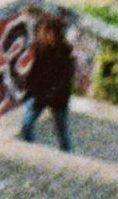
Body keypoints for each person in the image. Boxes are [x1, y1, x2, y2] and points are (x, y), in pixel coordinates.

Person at [18, 8, 77, 152]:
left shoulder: (65, 54)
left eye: (46, 32)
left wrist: (49, 96)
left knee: (62, 133)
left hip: (57, 99)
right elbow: (35, 71)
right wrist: (28, 91)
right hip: (39, 94)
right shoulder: (40, 49)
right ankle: (31, 152)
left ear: (54, 34)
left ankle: (68, 157)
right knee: (26, 125)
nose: (42, 35)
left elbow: (63, 82)